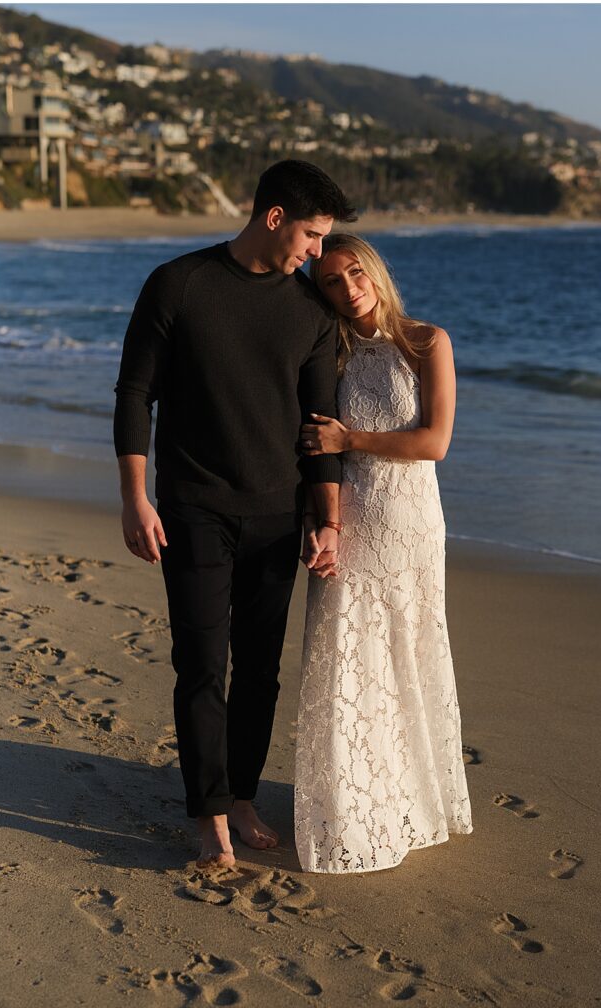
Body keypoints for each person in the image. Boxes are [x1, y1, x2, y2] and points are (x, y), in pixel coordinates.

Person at [113, 161, 356, 868]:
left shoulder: (309, 311)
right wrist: (135, 496)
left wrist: (327, 518)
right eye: (312, 235)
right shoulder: (179, 283)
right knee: (198, 664)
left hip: (278, 516)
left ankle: (241, 794)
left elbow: (320, 426)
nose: (316, 253)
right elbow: (135, 393)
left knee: (258, 672)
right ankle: (208, 811)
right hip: (193, 508)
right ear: (275, 217)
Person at [294, 233, 473, 873]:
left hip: (411, 522)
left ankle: (412, 802)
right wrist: (323, 519)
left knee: (406, 651)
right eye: (332, 283)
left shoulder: (427, 342)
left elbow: (435, 442)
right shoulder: (332, 350)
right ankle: (352, 805)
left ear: (375, 269)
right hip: (350, 517)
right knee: (348, 655)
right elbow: (315, 442)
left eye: (354, 273)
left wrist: (351, 435)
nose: (348, 289)